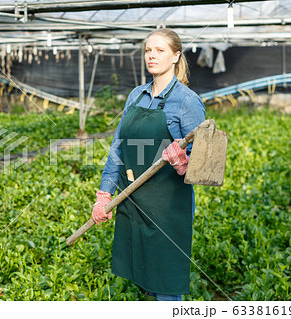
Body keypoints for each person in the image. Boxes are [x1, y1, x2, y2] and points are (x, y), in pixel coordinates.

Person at [91, 28, 206, 301]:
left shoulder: (188, 102)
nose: (151, 56)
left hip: (168, 207)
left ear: (176, 56)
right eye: (148, 50)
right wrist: (105, 192)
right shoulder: (137, 96)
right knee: (144, 276)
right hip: (134, 199)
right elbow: (118, 148)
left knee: (165, 280)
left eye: (160, 50)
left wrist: (182, 162)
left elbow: (202, 168)